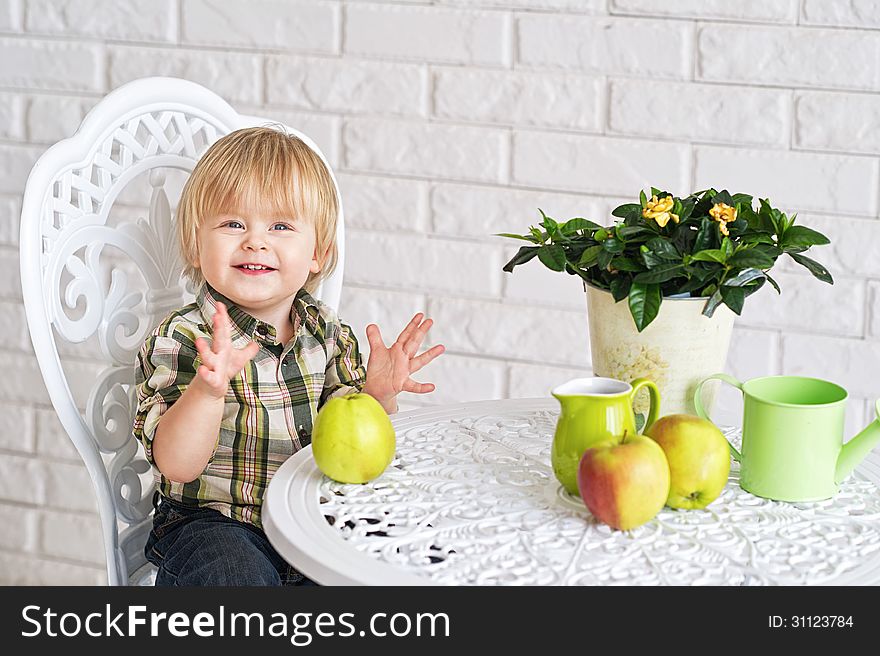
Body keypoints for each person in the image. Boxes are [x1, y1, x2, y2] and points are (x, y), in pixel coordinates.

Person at [133, 126, 444, 586]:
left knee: (413, 549)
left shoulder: (327, 332)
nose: (255, 241)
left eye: (280, 226)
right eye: (233, 223)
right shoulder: (186, 337)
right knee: (232, 576)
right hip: (215, 523)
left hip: (313, 519)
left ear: (317, 253)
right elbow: (177, 464)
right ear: (197, 245)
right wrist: (206, 390)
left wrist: (377, 396)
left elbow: (352, 452)